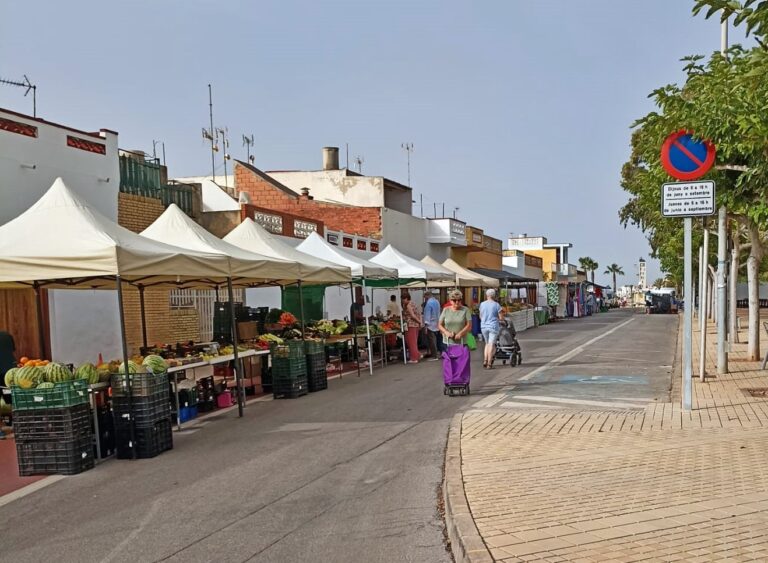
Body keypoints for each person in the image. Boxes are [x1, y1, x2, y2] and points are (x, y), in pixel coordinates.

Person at [479, 288, 504, 369]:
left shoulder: (482, 304)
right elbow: (501, 318)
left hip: (483, 326)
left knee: (487, 343)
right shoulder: (496, 305)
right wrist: (500, 320)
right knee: (491, 344)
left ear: (487, 295)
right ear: (494, 296)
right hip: (493, 326)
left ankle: (485, 360)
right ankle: (489, 363)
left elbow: (480, 316)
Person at [402, 294, 422, 363]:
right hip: (415, 325)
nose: (402, 301)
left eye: (403, 299)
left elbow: (413, 316)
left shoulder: (408, 305)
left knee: (411, 342)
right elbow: (418, 313)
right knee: (414, 341)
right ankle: (418, 355)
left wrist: (419, 322)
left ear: (407, 298)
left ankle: (414, 358)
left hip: (410, 325)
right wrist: (419, 322)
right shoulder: (413, 303)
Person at [422, 291, 442, 361]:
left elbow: (427, 315)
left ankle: (435, 356)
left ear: (427, 296)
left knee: (432, 341)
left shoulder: (428, 303)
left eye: (425, 297)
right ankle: (441, 353)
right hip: (438, 323)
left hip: (431, 324)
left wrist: (426, 326)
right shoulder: (437, 302)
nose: (425, 298)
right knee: (438, 340)